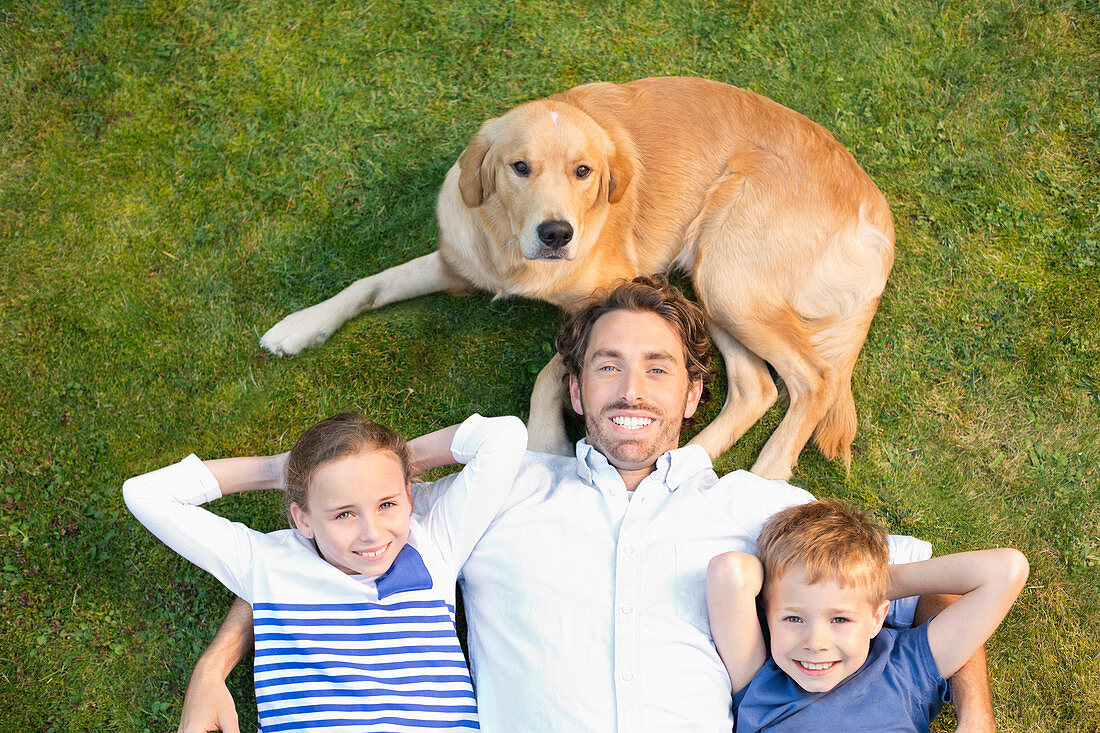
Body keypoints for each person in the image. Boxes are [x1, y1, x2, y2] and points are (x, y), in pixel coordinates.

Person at [177, 276, 998, 732]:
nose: (630, 388)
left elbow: (924, 583)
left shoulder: (757, 506)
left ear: (692, 395)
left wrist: (976, 717)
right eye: (606, 366)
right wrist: (212, 669)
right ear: (574, 390)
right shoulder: (503, 493)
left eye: (656, 367)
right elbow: (332, 548)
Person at [124, 411, 527, 731]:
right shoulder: (266, 563)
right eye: (344, 513)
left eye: (387, 504)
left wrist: (387, 462)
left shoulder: (433, 543)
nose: (372, 534)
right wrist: (273, 471)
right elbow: (146, 494)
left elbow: (504, 437)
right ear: (303, 520)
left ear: (409, 495)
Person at [706, 500, 1028, 731]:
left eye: (840, 619)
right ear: (768, 615)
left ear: (877, 619)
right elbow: (729, 573)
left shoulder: (903, 669)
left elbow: (1007, 570)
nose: (815, 642)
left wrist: (877, 584)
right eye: (793, 619)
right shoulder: (761, 686)